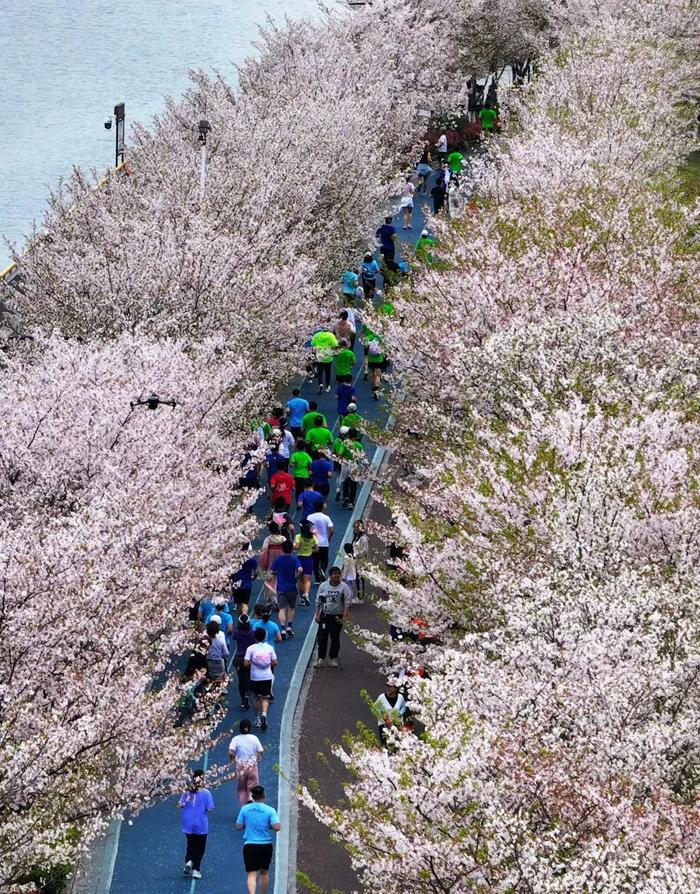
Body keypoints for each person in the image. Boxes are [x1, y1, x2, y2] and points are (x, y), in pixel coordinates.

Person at [235, 785, 281, 894]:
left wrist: (248, 822)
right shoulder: (270, 810)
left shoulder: (245, 809)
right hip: (265, 845)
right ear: (264, 796)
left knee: (251, 873)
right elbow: (277, 827)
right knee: (264, 873)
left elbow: (238, 826)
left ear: (252, 796)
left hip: (250, 845)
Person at [178, 769, 214, 880]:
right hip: (200, 823)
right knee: (200, 847)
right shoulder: (206, 792)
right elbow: (210, 808)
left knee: (190, 843)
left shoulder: (187, 791)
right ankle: (196, 869)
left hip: (187, 822)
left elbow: (180, 804)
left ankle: (189, 860)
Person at [314, 566, 351, 668]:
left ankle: (333, 658)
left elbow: (347, 602)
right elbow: (318, 601)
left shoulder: (344, 587)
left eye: (338, 574)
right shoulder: (323, 586)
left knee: (335, 637)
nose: (336, 576)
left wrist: (345, 615)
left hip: (337, 616)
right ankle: (321, 658)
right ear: (330, 576)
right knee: (322, 637)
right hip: (325, 615)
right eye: (334, 574)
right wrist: (317, 614)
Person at [244, 627, 277, 731]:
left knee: (256, 698)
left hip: (255, 677)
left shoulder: (251, 648)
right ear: (264, 637)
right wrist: (267, 664)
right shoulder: (269, 648)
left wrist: (253, 662)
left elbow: (245, 663)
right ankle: (264, 714)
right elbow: (275, 662)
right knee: (265, 698)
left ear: (255, 636)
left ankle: (257, 718)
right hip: (266, 676)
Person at [270, 541, 303, 638]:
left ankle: (283, 628)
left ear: (282, 549)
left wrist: (278, 574)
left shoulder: (278, 559)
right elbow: (300, 569)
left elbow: (272, 571)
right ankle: (289, 627)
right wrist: (297, 577)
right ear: (291, 549)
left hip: (281, 587)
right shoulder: (294, 559)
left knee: (282, 608)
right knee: (292, 607)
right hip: (292, 587)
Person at [229, 719, 264, 807]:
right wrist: (257, 758)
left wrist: (233, 760)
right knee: (253, 786)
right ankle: (251, 800)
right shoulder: (254, 738)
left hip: (241, 766)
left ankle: (244, 807)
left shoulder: (235, 739)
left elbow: (230, 752)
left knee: (241, 789)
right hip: (252, 765)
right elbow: (260, 751)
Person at [373, 680, 408, 746]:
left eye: (390, 687)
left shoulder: (400, 697)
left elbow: (404, 707)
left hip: (398, 724)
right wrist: (383, 715)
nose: (388, 688)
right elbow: (375, 708)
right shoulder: (382, 697)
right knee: (387, 745)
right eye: (387, 686)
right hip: (384, 724)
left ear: (395, 688)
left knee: (399, 744)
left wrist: (400, 713)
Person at [232, 613, 256, 709]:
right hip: (249, 658)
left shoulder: (237, 632)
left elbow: (233, 637)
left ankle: (243, 700)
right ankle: (247, 694)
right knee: (249, 678)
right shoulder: (253, 632)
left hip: (239, 658)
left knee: (241, 679)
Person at [294, 519, 318, 605]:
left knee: (300, 580)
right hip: (309, 559)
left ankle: (302, 599)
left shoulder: (298, 536)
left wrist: (294, 547)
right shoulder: (313, 537)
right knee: (307, 579)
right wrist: (310, 550)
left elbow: (296, 547)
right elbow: (317, 549)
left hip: (300, 559)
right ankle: (306, 594)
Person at [308, 509, 334, 582]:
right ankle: (322, 570)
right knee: (324, 559)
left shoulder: (309, 517)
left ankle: (317, 578)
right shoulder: (326, 517)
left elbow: (307, 529)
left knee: (315, 560)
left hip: (314, 542)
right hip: (324, 543)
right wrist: (329, 537)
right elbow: (332, 530)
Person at [352, 519, 370, 602]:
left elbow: (365, 551)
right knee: (357, 578)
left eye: (357, 527)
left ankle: (360, 597)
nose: (355, 529)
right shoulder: (356, 537)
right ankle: (359, 596)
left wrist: (356, 555)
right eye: (354, 527)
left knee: (360, 578)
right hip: (356, 561)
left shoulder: (363, 539)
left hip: (360, 561)